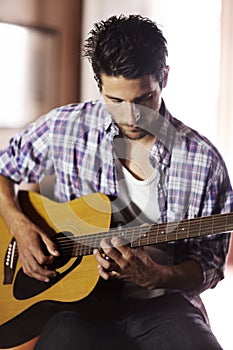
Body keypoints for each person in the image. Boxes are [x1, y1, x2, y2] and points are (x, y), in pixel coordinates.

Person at [0, 14, 232, 350]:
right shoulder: (65, 127)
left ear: (164, 78)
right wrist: (18, 224)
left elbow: (209, 265)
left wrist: (158, 275)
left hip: (163, 306)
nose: (131, 117)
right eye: (116, 101)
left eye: (144, 99)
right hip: (76, 307)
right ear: (99, 84)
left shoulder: (204, 162)